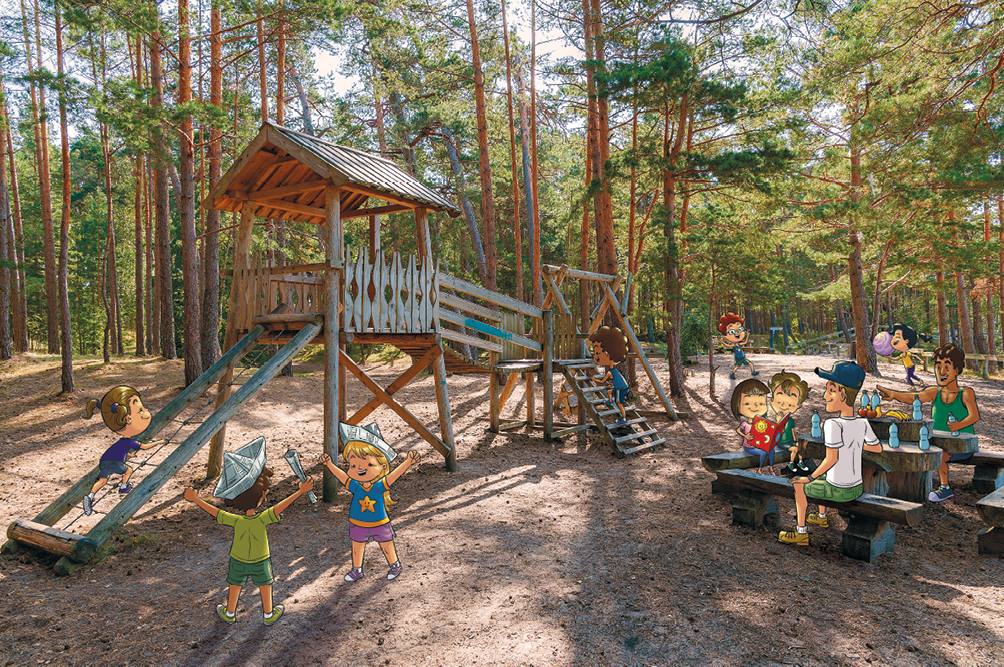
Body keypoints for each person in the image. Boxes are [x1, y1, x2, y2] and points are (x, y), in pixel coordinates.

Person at [184, 436, 313, 625]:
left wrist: (196, 499)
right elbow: (279, 507)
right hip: (261, 558)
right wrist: (300, 492)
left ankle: (230, 612)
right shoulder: (262, 519)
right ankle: (269, 614)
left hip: (238, 558)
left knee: (235, 584)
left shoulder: (236, 520)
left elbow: (216, 513)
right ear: (261, 496)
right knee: (265, 585)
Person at [779, 361, 883, 546]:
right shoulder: (862, 422)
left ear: (842, 394)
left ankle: (801, 533)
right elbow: (877, 448)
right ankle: (821, 516)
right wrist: (855, 445)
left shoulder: (833, 424)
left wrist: (808, 478)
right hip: (856, 487)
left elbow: (831, 458)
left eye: (831, 390)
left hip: (839, 491)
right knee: (826, 475)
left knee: (798, 486)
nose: (825, 395)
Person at [877, 343, 980, 502]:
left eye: (947, 366)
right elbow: (914, 397)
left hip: (962, 445)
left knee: (941, 454)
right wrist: (893, 394)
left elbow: (974, 416)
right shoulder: (934, 392)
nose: (941, 371)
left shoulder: (965, 393)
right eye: (938, 366)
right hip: (937, 440)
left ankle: (945, 488)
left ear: (957, 370)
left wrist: (958, 425)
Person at [320, 422, 419, 582]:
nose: (359, 469)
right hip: (357, 522)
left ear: (382, 466)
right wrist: (330, 465)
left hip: (379, 521)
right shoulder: (356, 486)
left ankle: (395, 565)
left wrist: (407, 462)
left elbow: (394, 476)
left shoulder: (379, 486)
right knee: (357, 546)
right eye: (353, 465)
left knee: (386, 544)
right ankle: (356, 570)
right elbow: (343, 476)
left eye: (368, 464)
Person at [82, 386, 168, 516]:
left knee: (102, 480)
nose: (146, 410)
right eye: (141, 410)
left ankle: (90, 496)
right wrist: (159, 442)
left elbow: (115, 451)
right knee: (128, 470)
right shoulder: (129, 441)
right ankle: (123, 487)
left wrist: (128, 454)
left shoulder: (120, 442)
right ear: (128, 419)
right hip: (115, 463)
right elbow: (144, 446)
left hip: (104, 461)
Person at [766, 371, 813, 477]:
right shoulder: (777, 419)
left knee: (799, 446)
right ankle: (791, 463)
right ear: (772, 400)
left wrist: (795, 439)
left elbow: (792, 431)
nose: (783, 405)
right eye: (779, 402)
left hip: (790, 440)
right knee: (794, 449)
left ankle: (800, 462)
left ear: (798, 405)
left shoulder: (790, 420)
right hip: (782, 442)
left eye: (790, 404)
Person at [589, 326, 631, 425]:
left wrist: (594, 379)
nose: (595, 357)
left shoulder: (610, 373)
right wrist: (612, 386)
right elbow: (618, 382)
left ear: (608, 354)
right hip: (624, 388)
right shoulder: (615, 371)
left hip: (621, 390)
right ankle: (609, 402)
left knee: (619, 404)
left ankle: (623, 419)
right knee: (609, 390)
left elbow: (602, 382)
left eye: (597, 354)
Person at [731, 378, 773, 474]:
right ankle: (759, 470)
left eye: (761, 403)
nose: (755, 407)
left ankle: (771, 468)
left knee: (771, 451)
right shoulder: (745, 424)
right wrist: (745, 436)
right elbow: (738, 430)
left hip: (758, 445)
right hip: (748, 446)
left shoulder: (760, 423)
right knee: (762, 453)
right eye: (747, 404)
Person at [887, 323, 931, 388]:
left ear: (906, 341)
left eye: (898, 337)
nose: (893, 339)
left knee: (908, 378)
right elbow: (896, 358)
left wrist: (921, 360)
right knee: (912, 376)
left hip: (911, 367)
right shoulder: (902, 355)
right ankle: (920, 381)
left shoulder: (908, 353)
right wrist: (889, 357)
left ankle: (913, 387)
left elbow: (915, 356)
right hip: (908, 367)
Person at [718, 313, 758, 380]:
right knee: (736, 367)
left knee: (750, 363)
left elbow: (745, 342)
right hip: (738, 358)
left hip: (743, 357)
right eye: (732, 331)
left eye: (739, 329)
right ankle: (732, 373)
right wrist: (722, 341)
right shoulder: (735, 345)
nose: (736, 333)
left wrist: (748, 335)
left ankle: (753, 372)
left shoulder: (739, 344)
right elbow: (727, 345)